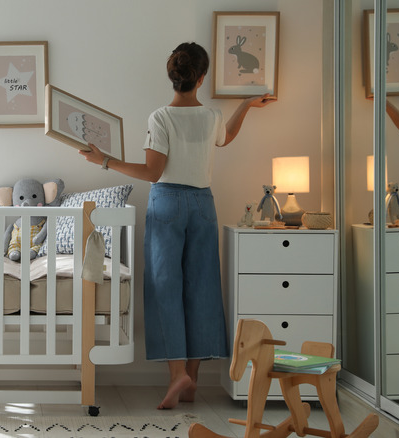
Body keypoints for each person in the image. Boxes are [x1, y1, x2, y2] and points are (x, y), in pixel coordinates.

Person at [79, 42, 276, 410]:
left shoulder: (160, 118)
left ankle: (176, 375)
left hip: (167, 202)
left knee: (164, 288)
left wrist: (105, 160)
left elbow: (152, 172)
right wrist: (247, 105)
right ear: (201, 78)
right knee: (201, 288)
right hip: (203, 204)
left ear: (173, 76)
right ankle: (193, 379)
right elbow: (226, 137)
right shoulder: (212, 116)